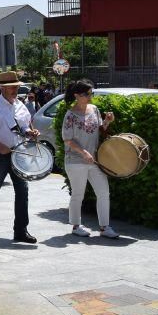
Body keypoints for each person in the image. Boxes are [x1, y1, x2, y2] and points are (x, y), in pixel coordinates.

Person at [0, 71, 39, 244]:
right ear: (2, 88)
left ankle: (21, 230)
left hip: (18, 152)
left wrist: (30, 133)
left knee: (22, 190)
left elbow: (25, 127)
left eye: (16, 87)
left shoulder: (21, 105)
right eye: (11, 87)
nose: (14, 90)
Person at [62, 79, 118, 238]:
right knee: (78, 194)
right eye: (87, 94)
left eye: (91, 93)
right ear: (76, 95)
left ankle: (105, 227)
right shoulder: (70, 115)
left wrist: (107, 121)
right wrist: (83, 152)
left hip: (94, 160)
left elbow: (99, 129)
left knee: (103, 192)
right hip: (75, 160)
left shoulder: (94, 109)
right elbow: (67, 140)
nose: (90, 97)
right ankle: (75, 226)